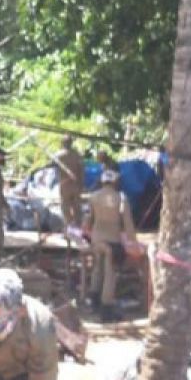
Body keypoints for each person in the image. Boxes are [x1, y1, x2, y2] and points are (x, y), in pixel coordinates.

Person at [83, 170, 134, 322]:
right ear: (115, 182)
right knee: (110, 274)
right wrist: (133, 241)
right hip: (113, 241)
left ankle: (94, 302)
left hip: (97, 239)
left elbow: (87, 221)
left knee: (97, 269)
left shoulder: (93, 197)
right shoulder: (121, 198)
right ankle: (107, 308)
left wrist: (85, 236)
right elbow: (128, 223)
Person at [53, 136, 85, 229]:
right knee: (77, 207)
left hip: (65, 184)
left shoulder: (59, 155)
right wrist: (81, 184)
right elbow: (82, 170)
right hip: (76, 184)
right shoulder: (77, 155)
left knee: (66, 206)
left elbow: (52, 165)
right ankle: (77, 227)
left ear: (63, 143)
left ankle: (70, 226)